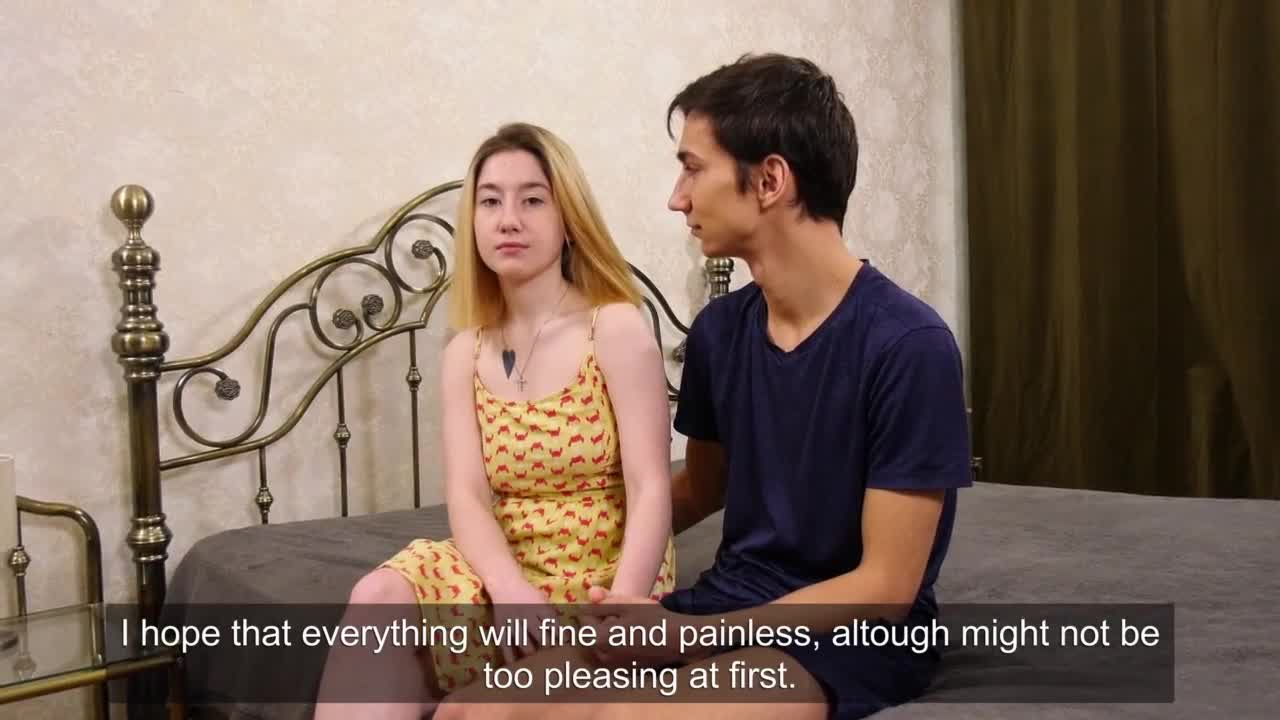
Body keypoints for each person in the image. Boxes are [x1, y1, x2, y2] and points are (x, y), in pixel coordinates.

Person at [436, 54, 973, 720]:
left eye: (693, 168)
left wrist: (689, 637)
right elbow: (703, 488)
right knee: (469, 711)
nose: (677, 197)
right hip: (724, 602)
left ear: (769, 180)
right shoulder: (720, 332)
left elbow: (886, 588)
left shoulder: (908, 344)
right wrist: (569, 554)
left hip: (847, 640)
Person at [313, 122, 677, 719]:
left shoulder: (613, 328)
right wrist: (509, 590)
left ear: (568, 219)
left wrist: (624, 607)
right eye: (490, 201)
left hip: (603, 575)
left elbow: (651, 484)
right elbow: (467, 495)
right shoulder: (465, 351)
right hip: (501, 573)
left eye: (532, 200)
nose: (508, 220)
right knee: (378, 595)